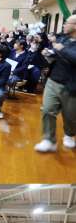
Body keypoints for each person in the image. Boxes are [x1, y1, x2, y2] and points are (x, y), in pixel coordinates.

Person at [35, 14, 76, 153]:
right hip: (53, 80)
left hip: (71, 86)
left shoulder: (63, 43)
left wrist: (60, 49)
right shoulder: (63, 38)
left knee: (70, 116)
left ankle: (69, 134)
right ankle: (49, 139)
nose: (64, 25)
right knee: (47, 110)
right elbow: (57, 52)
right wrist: (49, 52)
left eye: (67, 23)